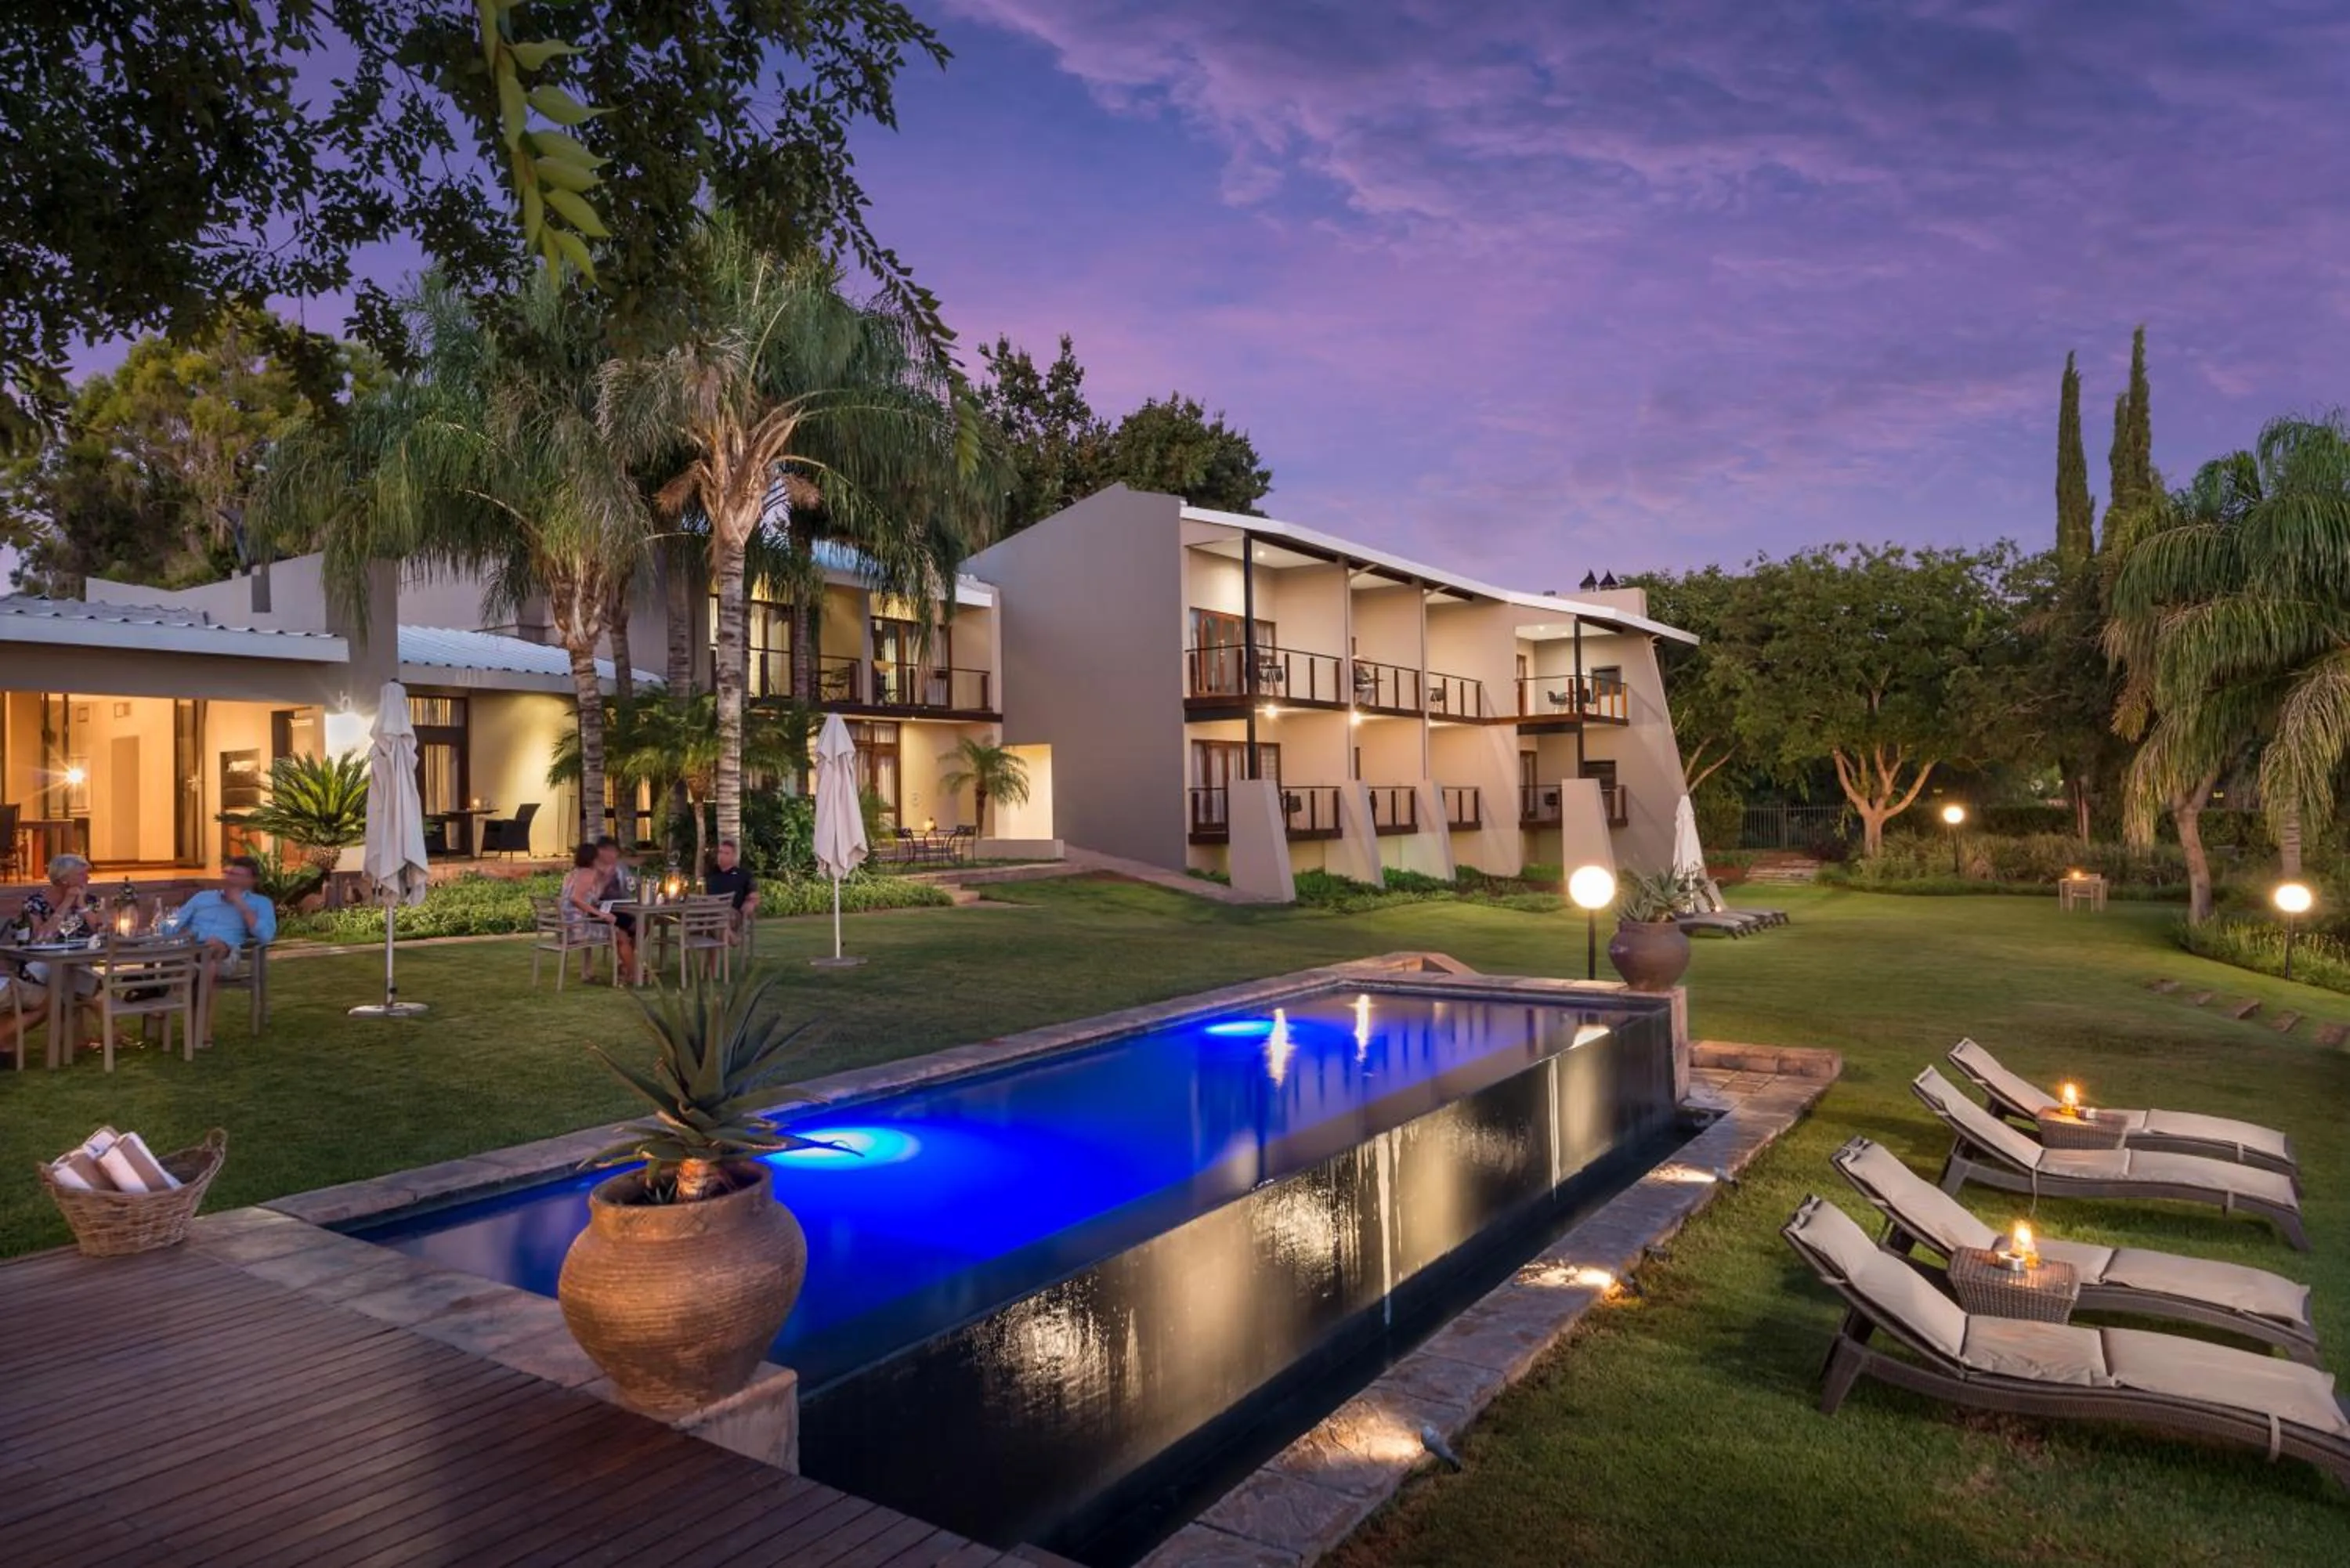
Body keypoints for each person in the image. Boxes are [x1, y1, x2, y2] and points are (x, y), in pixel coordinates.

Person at [171, 854, 278, 1048]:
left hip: (228, 954)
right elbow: (171, 925)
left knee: (214, 948)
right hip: (194, 950)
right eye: (228, 873)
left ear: (251, 881)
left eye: (236, 875)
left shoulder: (260, 903)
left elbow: (265, 936)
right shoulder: (202, 898)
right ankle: (203, 1033)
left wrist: (242, 906)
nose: (230, 878)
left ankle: (171, 989)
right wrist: (181, 930)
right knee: (208, 966)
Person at [562, 842, 631, 984]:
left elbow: (591, 897)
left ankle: (587, 973)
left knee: (614, 930)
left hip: (565, 928)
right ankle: (634, 974)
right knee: (621, 935)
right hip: (578, 928)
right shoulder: (587, 874)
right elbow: (576, 899)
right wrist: (602, 915)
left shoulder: (572, 874)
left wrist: (605, 878)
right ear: (594, 858)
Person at [703, 837, 760, 944]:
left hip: (732, 913)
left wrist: (750, 904)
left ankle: (730, 937)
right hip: (710, 913)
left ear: (734, 856)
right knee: (691, 921)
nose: (722, 856)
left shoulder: (744, 875)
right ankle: (731, 938)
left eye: (726, 853)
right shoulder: (711, 875)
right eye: (720, 852)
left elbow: (754, 897)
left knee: (717, 919)